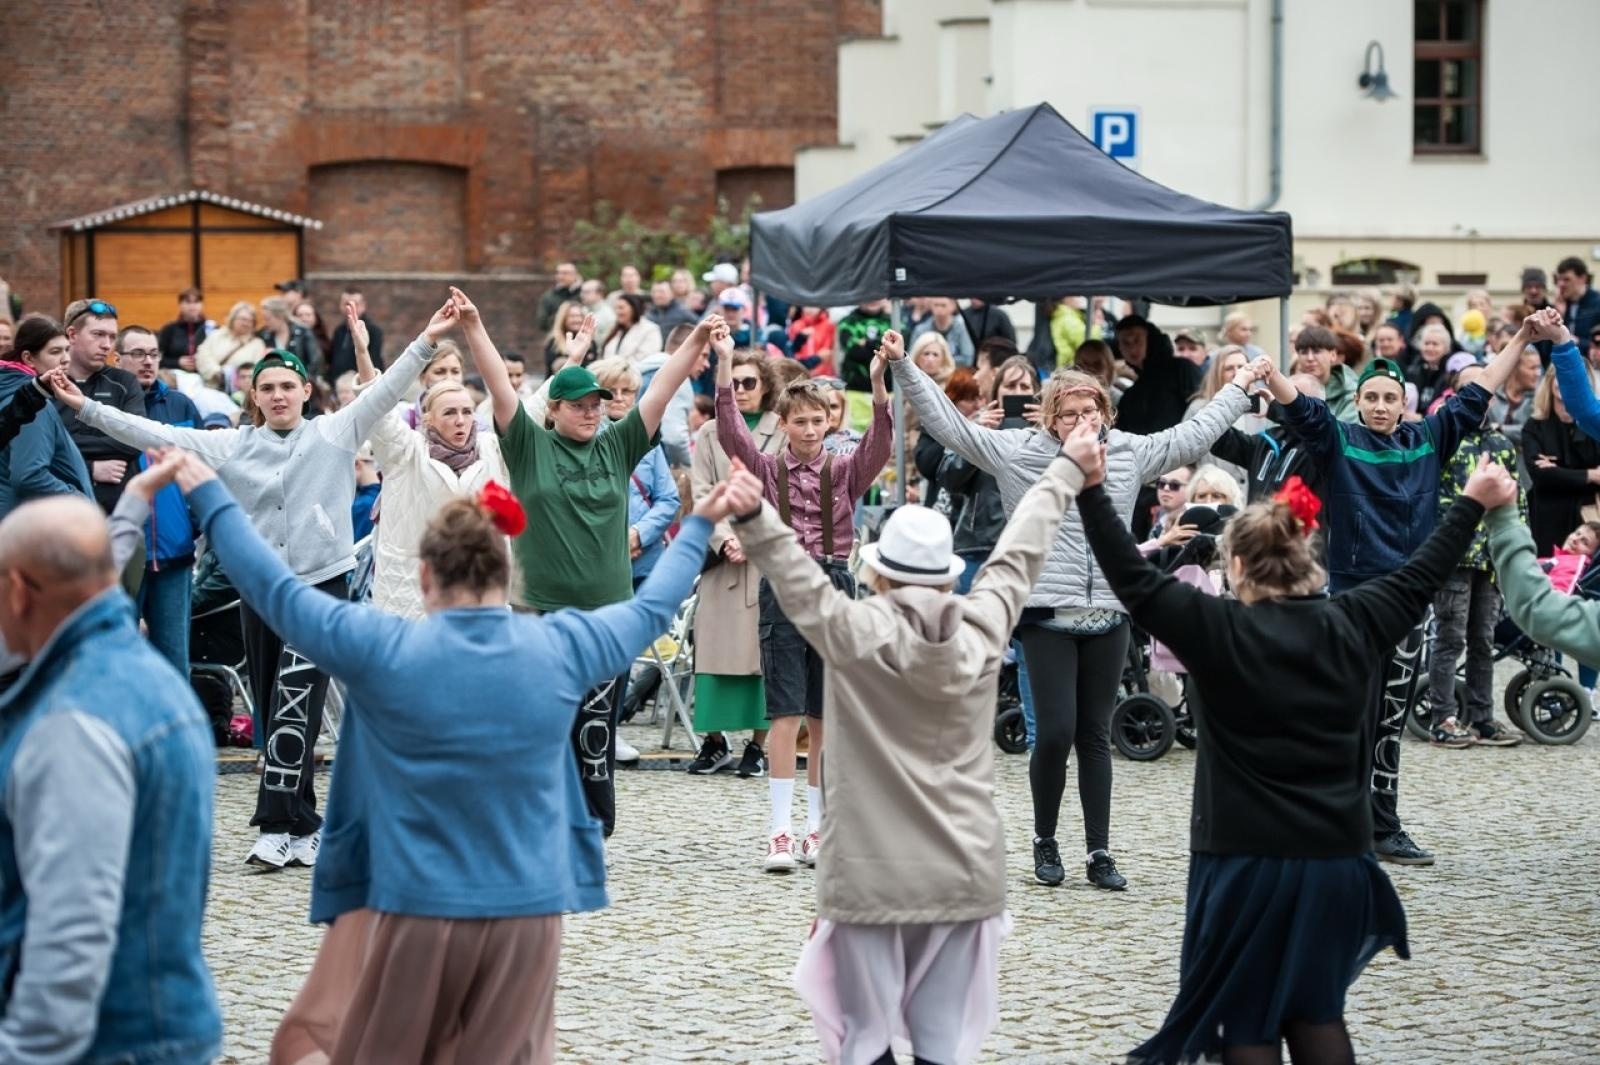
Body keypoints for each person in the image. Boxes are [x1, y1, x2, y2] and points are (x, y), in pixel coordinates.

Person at [169, 454, 731, 1065]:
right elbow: (651, 610)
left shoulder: (381, 648)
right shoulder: (563, 647)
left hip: (417, 906)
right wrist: (699, 524)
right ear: (507, 571)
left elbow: (275, 592)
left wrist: (213, 499)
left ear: (427, 577)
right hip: (528, 912)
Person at [1073, 427, 1500, 1065]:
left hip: (1244, 862)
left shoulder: (1217, 628)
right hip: (1336, 861)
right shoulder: (1356, 620)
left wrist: (1090, 486)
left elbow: (1131, 579)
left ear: (1236, 566)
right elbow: (1421, 575)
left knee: (1246, 1024)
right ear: (1310, 557)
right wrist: (1471, 502)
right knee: (1315, 1016)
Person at [50, 302, 459, 869]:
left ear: (305, 392)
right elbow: (153, 431)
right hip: (263, 589)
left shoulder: (335, 432)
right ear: (255, 397)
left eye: (287, 386)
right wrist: (85, 408)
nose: (277, 396)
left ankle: (272, 824)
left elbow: (387, 390)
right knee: (275, 704)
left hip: (321, 589)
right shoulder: (235, 445)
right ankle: (304, 823)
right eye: (266, 388)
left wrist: (428, 340)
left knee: (298, 699)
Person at [734, 419, 1086, 1065]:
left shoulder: (851, 628)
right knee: (939, 1041)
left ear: (879, 576)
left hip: (868, 868)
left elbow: (796, 576)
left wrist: (753, 512)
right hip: (962, 864)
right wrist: (1065, 469)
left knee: (866, 1038)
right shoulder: (982, 627)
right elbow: (1018, 552)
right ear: (949, 578)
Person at [886, 330, 1265, 890]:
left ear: (1105, 413)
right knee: (1056, 731)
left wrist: (1238, 386)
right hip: (1044, 613)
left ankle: (1099, 851)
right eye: (1068, 413)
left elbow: (1194, 434)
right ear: (1050, 418)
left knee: (1094, 734)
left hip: (1109, 611)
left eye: (1091, 411)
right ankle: (1045, 840)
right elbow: (951, 428)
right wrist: (902, 367)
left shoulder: (1129, 453)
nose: (1081, 421)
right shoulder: (1018, 452)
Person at [1263, 315, 1534, 866]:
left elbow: (1480, 388)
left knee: (1389, 717)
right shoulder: (1340, 440)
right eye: (1372, 398)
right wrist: (1271, 374)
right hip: (1353, 603)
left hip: (1409, 601)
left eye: (1391, 397)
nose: (1381, 406)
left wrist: (1524, 338)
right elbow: (1302, 409)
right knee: (1345, 715)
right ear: (1359, 402)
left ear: (1406, 403)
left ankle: (1383, 827)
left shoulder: (1427, 439)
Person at [466, 288, 711, 838]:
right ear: (553, 409)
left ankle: (593, 827)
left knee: (595, 727)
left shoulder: (617, 444)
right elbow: (500, 389)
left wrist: (696, 337)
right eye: (578, 405)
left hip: (608, 613)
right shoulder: (529, 446)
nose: (591, 412)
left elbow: (662, 386)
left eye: (597, 404)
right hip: (540, 612)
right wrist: (474, 326)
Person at [0, 476, 220, 1064]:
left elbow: (73, 930)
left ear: (18, 591)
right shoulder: (152, 682)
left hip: (108, 1043)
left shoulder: (72, 722)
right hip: (162, 1023)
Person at [715, 324, 892, 871]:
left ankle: (817, 829)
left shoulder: (845, 469)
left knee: (825, 715)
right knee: (785, 711)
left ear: (830, 420)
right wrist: (723, 361)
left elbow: (880, 440)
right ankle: (779, 831)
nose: (811, 428)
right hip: (785, 584)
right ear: (784, 424)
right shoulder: (768, 468)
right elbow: (730, 434)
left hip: (835, 584)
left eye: (819, 419)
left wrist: (880, 381)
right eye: (801, 421)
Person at [348, 300, 509, 620]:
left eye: (467, 412)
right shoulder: (407, 451)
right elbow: (376, 407)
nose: (462, 420)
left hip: (479, 594)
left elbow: (522, 405)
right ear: (429, 420)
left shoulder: (493, 449)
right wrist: (363, 355)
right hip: (412, 596)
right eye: (450, 413)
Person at [686, 349, 785, 779]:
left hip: (765, 557)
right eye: (735, 383)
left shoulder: (780, 432)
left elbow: (783, 493)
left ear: (765, 386)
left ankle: (758, 747)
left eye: (749, 383)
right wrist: (725, 537)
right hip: (721, 558)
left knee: (762, 655)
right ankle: (713, 741)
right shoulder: (709, 432)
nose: (741, 390)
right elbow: (702, 487)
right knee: (712, 649)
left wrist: (751, 538)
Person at [1422, 364, 1524, 749]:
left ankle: (1482, 717)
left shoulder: (1501, 446)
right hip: (1454, 558)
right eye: (1468, 389)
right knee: (1449, 638)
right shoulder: (1444, 441)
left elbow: (1518, 501)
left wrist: (1515, 549)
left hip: (1492, 557)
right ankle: (1443, 717)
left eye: (1486, 389)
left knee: (1483, 640)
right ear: (1453, 395)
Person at [117, 325, 202, 676]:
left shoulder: (180, 405)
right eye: (138, 354)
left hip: (174, 554)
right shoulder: (106, 405)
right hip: (122, 557)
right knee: (120, 662)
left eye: (153, 354)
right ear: (117, 358)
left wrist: (191, 522)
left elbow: (205, 468)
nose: (148, 362)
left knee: (174, 663)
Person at [589, 359, 680, 587]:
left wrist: (639, 535)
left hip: (646, 563)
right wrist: (617, 543)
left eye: (627, 391)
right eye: (611, 391)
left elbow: (668, 498)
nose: (619, 397)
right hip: (598, 564)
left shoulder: (648, 440)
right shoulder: (583, 439)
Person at [57, 298, 145, 513]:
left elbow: (136, 439)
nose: (107, 344)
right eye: (98, 334)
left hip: (119, 514)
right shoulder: (50, 383)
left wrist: (65, 443)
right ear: (72, 335)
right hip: (60, 512)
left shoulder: (124, 382)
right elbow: (39, 449)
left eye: (112, 337)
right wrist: (88, 468)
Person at [0, 316, 91, 518]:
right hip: (32, 530)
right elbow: (29, 475)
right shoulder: (32, 405)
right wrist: (80, 500)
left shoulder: (11, 390)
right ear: (28, 358)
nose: (66, 359)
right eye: (55, 351)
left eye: (67, 349)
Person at [1519, 354, 1600, 555]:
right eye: (1560, 377)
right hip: (1547, 518)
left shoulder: (1593, 425)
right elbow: (1541, 476)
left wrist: (1559, 470)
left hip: (1587, 519)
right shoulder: (1535, 426)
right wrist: (1588, 475)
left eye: (1573, 379)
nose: (1565, 384)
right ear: (1550, 381)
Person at [1291, 326, 1358, 421]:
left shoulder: (1350, 393)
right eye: (1304, 352)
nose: (1310, 358)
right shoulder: (1289, 390)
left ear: (1333, 355)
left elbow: (1344, 432)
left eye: (1317, 351)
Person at [196, 301, 268, 387]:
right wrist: (216, 372)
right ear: (233, 318)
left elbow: (257, 369)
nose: (246, 323)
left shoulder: (258, 344)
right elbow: (203, 354)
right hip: (210, 386)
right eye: (243, 319)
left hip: (239, 392)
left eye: (250, 321)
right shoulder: (217, 335)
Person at [259, 296, 323, 383]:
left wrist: (303, 381)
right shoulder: (265, 336)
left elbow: (315, 361)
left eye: (268, 319)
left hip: (301, 382)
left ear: (280, 316)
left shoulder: (303, 332)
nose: (266, 323)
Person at [837, 299, 893, 393]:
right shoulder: (847, 322)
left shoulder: (893, 321)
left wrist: (865, 343)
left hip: (888, 389)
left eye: (877, 296)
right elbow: (854, 351)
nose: (873, 299)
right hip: (855, 390)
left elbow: (896, 351)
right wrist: (880, 343)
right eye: (869, 296)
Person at [1488, 343, 1541, 442]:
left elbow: (1536, 430)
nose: (1538, 373)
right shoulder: (1492, 393)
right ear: (1513, 367)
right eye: (1532, 368)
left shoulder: (1540, 398)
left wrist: (1501, 429)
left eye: (1538, 368)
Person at [328, 287, 384, 380]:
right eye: (347, 304)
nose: (350, 308)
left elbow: (374, 361)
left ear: (363, 306)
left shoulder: (373, 331)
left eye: (355, 304)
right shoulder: (339, 331)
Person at [158, 287, 213, 371]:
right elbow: (158, 359)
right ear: (180, 304)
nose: (192, 306)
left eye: (196, 302)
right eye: (188, 302)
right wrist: (177, 362)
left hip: (206, 376)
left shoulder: (211, 328)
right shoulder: (169, 329)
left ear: (202, 305)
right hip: (175, 376)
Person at [1555, 256, 1600, 359]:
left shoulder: (1596, 304)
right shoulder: (1560, 304)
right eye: (1559, 279)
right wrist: (1559, 315)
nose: (1561, 284)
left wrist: (1577, 341)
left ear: (1582, 278)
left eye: (1567, 279)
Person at [910, 297, 975, 367]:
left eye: (943, 305)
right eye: (936, 305)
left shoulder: (962, 327)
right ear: (931, 306)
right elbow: (912, 358)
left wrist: (939, 361)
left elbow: (968, 359)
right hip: (925, 374)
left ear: (953, 306)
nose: (939, 309)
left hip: (955, 373)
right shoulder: (920, 330)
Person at [601, 293, 663, 364]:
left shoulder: (651, 330)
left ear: (634, 308)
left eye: (621, 308)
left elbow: (644, 358)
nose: (617, 311)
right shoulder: (615, 329)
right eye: (616, 308)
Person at [543, 300, 595, 375]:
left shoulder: (590, 342)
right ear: (563, 318)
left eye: (579, 316)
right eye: (572, 316)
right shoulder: (553, 342)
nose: (577, 319)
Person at [538, 261, 583, 334]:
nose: (560, 276)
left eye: (565, 273)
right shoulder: (549, 296)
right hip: (557, 337)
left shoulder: (585, 292)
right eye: (558, 273)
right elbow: (542, 322)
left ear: (575, 275)